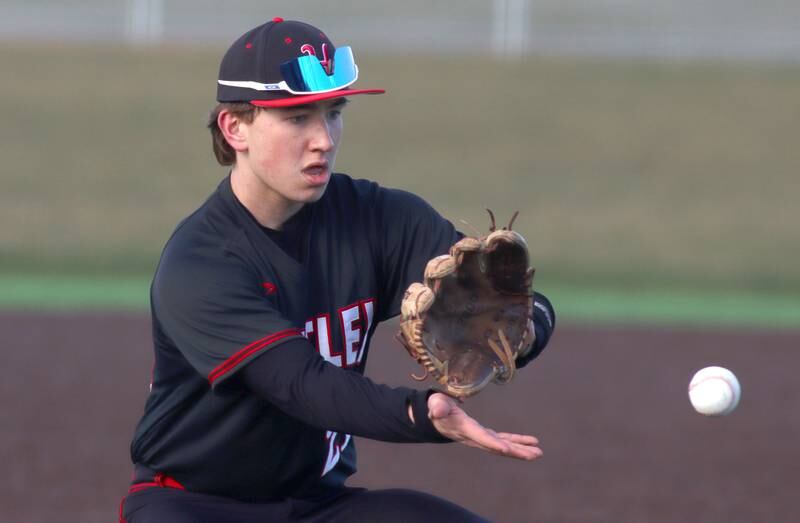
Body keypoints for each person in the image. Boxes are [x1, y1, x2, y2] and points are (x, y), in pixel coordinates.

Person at [120, 17, 556, 523]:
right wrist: (420, 413)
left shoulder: (378, 218)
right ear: (234, 127)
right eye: (297, 117)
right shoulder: (199, 263)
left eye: (333, 112)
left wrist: (521, 332)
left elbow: (517, 301)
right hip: (192, 505)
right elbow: (301, 384)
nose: (323, 139)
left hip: (318, 506)